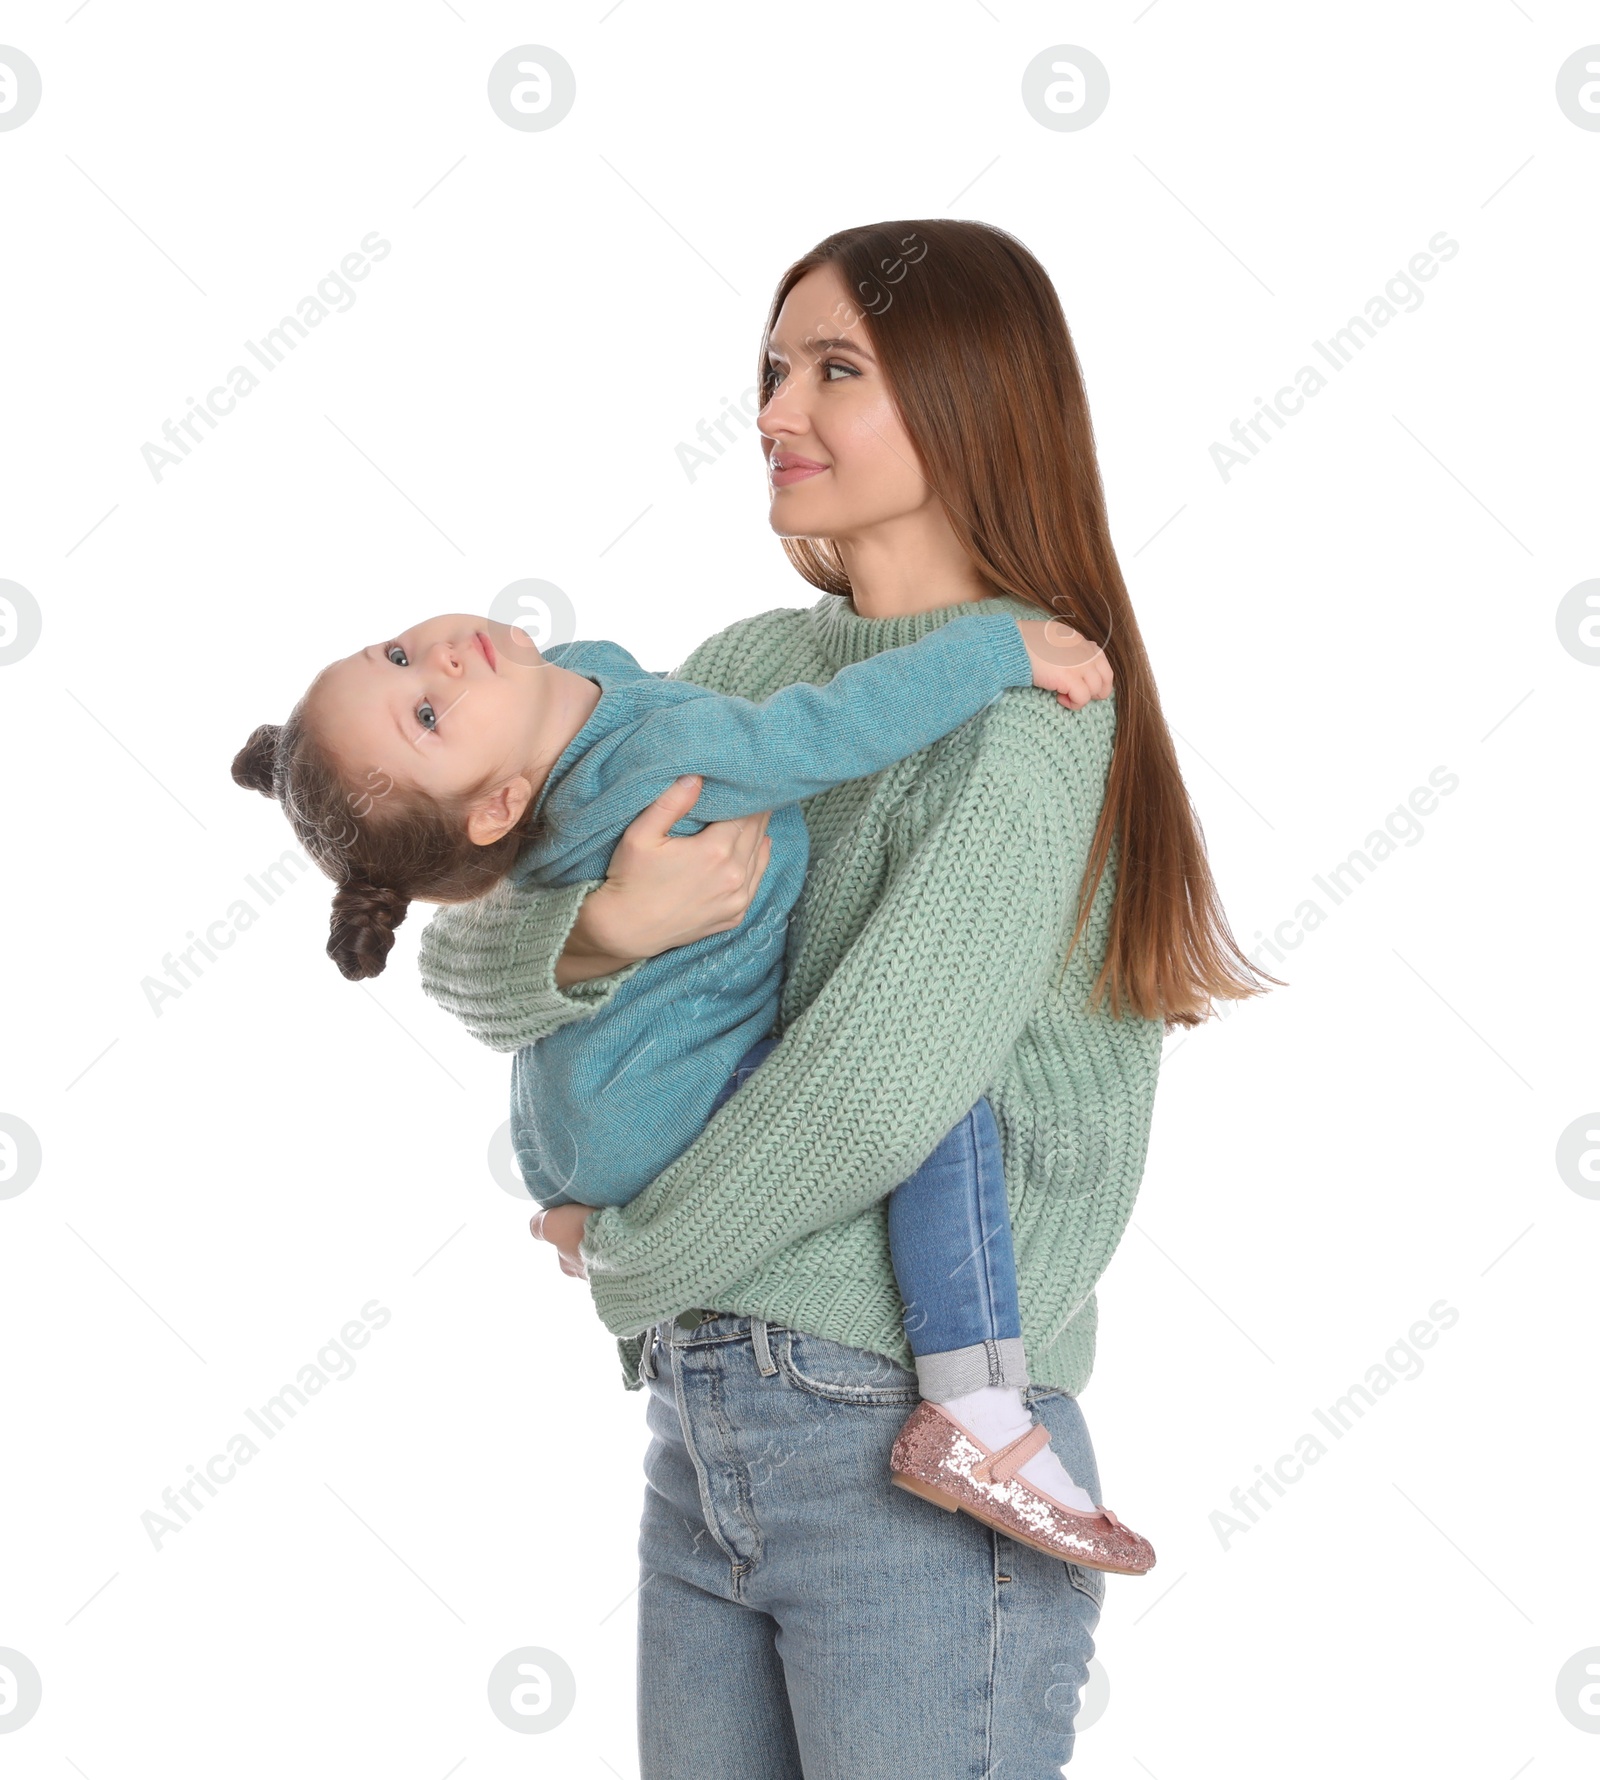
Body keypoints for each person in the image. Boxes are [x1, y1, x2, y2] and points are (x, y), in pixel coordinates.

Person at [425, 219, 1280, 1773]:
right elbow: (463, 944)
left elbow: (877, 1092)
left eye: (835, 370)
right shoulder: (746, 667)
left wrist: (630, 1254)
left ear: (970, 401)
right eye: (771, 367)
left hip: (910, 1436)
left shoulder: (1037, 707)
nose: (774, 409)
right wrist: (603, 934)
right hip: (706, 1427)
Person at [230, 582, 1155, 1571]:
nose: (438, 665)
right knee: (945, 1113)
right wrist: (997, 656)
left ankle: (597, 1209)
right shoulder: (660, 757)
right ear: (499, 805)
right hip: (652, 1097)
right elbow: (829, 728)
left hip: (579, 1107)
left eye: (397, 656)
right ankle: (974, 1405)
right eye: (424, 718)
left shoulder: (574, 698)